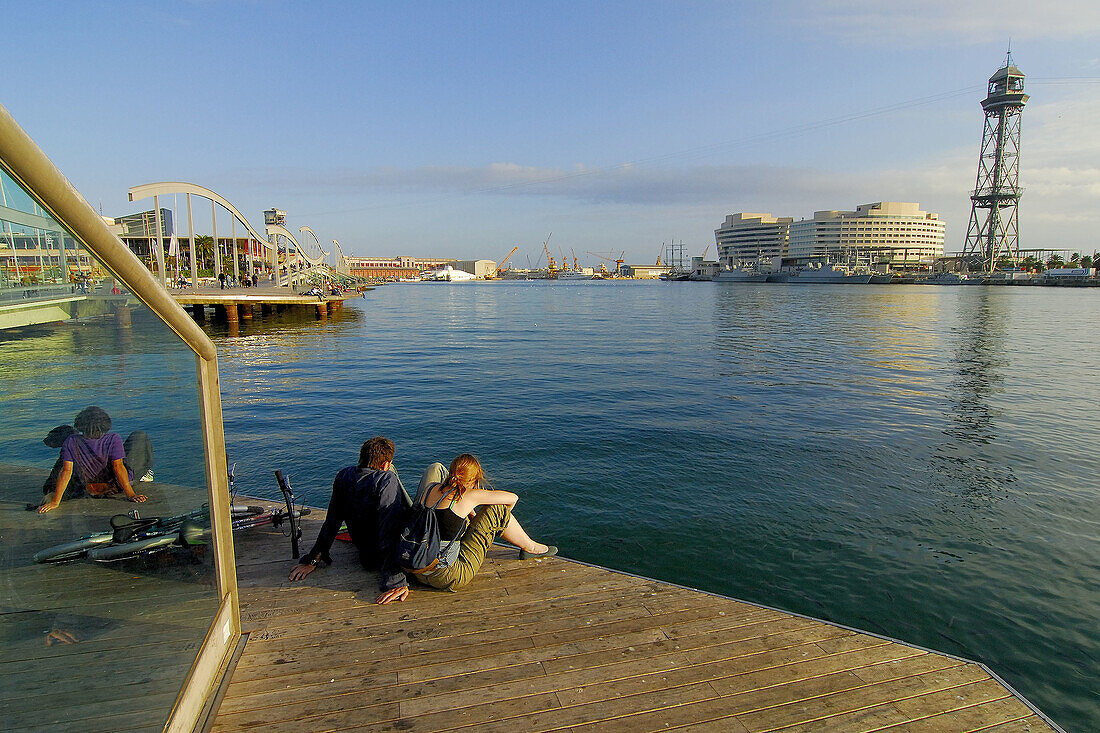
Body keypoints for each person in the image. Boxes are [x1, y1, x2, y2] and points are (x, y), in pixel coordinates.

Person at [288, 437, 412, 605]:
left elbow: (332, 521)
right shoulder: (386, 480)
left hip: (365, 554)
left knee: (390, 475)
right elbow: (388, 531)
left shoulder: (344, 475)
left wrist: (313, 559)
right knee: (404, 475)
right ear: (384, 464)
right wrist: (396, 580)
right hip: (381, 559)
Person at [411, 454, 556, 592]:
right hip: (447, 577)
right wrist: (498, 519)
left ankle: (524, 543)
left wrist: (472, 513)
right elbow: (513, 498)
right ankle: (531, 548)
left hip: (418, 568)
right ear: (473, 479)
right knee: (498, 509)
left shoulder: (429, 489)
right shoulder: (469, 495)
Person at [39, 406, 151, 513]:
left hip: (89, 488)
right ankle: (144, 474)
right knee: (139, 436)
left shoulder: (71, 441)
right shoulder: (113, 439)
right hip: (115, 486)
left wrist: (55, 502)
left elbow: (66, 471)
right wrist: (131, 495)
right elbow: (118, 467)